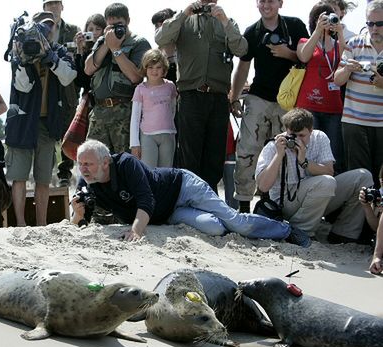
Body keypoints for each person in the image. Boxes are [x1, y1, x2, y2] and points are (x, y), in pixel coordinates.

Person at [71, 139, 310, 247]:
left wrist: (135, 230)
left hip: (183, 186)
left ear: (104, 162)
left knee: (237, 222)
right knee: (216, 228)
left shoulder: (124, 163)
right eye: (81, 164)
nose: (84, 169)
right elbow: (83, 220)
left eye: (88, 164)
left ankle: (286, 230)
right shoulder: (87, 181)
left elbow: (146, 199)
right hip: (168, 214)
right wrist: (77, 212)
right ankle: (224, 218)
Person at [155, 0, 248, 193]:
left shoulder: (227, 21)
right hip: (191, 96)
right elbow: (161, 39)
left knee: (215, 156)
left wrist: (224, 21)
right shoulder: (183, 19)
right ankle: (189, 200)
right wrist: (183, 14)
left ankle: (210, 200)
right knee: (189, 156)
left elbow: (241, 49)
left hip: (218, 97)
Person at [230, 0, 309, 213]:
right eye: (262, 0)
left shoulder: (295, 26)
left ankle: (274, 202)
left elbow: (308, 57)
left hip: (288, 101)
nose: (267, 5)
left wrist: (288, 53)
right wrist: (234, 97)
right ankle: (244, 205)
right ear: (257, 3)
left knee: (284, 151)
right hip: (258, 98)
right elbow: (243, 68)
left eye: (271, 0)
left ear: (280, 3)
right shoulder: (252, 32)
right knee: (247, 150)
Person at [255, 108, 373, 243]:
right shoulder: (273, 146)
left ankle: (344, 233)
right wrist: (279, 155)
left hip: (318, 197)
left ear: (311, 130)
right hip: (286, 202)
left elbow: (329, 171)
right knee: (326, 183)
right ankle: (301, 232)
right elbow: (263, 186)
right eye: (293, 135)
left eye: (302, 135)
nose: (297, 140)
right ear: (285, 129)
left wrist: (304, 161)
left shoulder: (319, 138)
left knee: (363, 177)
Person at [5, 11, 77, 227]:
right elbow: (22, 86)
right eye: (42, 26)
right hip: (22, 123)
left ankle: (42, 224)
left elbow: (69, 76)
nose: (47, 30)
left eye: (51, 26)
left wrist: (51, 59)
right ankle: (19, 223)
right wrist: (24, 60)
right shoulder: (20, 51)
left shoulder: (59, 51)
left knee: (44, 178)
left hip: (48, 123)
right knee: (19, 177)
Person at [84, 3, 151, 154]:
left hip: (124, 112)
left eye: (119, 24)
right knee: (95, 159)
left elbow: (136, 77)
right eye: (110, 25)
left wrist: (116, 49)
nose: (114, 29)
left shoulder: (139, 43)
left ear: (128, 21)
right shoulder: (103, 41)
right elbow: (88, 69)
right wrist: (107, 44)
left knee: (123, 161)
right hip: (99, 111)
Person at [334, 0, 383, 188]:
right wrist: (347, 70)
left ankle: (377, 218)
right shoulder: (354, 44)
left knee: (380, 178)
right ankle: (360, 218)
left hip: (381, 123)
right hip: (354, 121)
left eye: (379, 24)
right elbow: (337, 80)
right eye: (370, 23)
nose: (374, 28)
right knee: (360, 178)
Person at [296, 2, 346, 174]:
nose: (326, 22)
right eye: (321, 19)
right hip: (309, 107)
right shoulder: (305, 41)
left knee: (334, 155)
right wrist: (318, 31)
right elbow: (303, 56)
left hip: (333, 108)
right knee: (309, 152)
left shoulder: (339, 43)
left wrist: (339, 31)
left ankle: (336, 192)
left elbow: (346, 60)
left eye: (329, 18)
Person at [42, 0, 80, 187]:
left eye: (56, 3)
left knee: (68, 130)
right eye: (49, 4)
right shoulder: (37, 29)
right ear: (44, 8)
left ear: (62, 6)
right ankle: (46, 172)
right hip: (45, 87)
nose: (53, 7)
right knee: (46, 130)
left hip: (68, 88)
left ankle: (64, 173)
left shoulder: (73, 30)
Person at [129, 49, 177, 168]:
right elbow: (135, 118)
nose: (154, 71)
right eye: (150, 67)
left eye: (158, 67)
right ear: (145, 69)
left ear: (164, 69)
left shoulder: (170, 86)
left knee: (166, 173)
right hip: (147, 136)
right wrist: (134, 144)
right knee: (149, 172)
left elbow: (173, 109)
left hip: (168, 135)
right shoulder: (140, 89)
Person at [73, 14, 106, 95]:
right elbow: (79, 82)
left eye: (98, 29)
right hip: (90, 99)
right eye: (91, 29)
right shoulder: (84, 51)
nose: (94, 32)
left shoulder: (109, 48)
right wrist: (79, 49)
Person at [151, 8, 177, 84]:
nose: (159, 28)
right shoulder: (155, 55)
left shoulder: (185, 49)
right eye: (156, 25)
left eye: (163, 23)